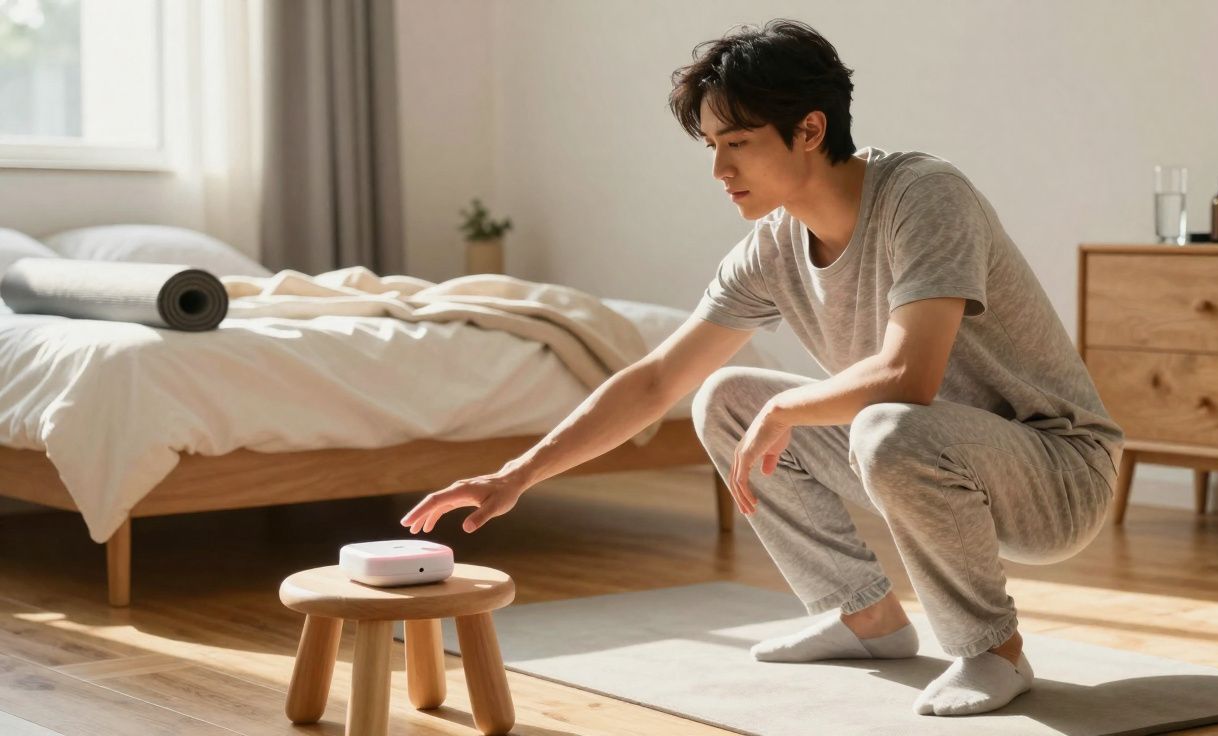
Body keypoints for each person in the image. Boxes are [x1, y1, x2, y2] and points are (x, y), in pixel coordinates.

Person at [401, 18, 1123, 718]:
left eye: (738, 143)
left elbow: (910, 376)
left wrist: (790, 411)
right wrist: (516, 474)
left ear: (810, 130)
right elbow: (656, 381)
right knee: (727, 397)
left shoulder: (925, 196)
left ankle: (994, 651)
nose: (719, 169)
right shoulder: (772, 248)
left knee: (884, 427)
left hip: (1058, 474)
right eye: (713, 145)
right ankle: (863, 615)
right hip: (928, 449)